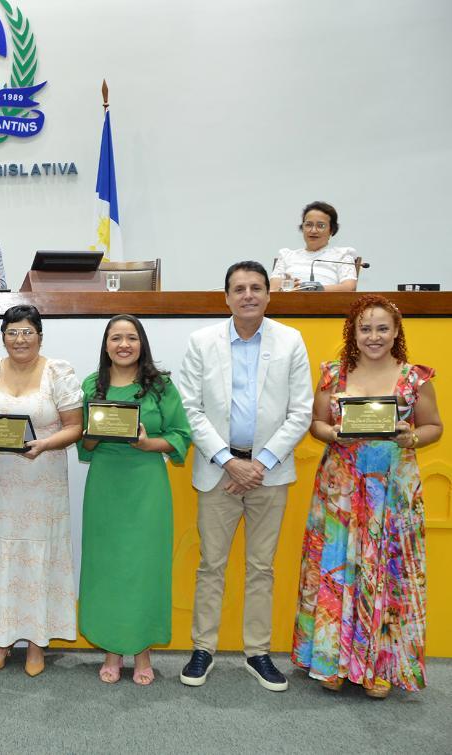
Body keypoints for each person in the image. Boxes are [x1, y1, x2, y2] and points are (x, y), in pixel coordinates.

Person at [292, 294, 443, 698]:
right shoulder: (332, 374)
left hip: (392, 489)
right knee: (337, 567)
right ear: (353, 332)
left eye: (382, 328)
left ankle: (379, 667)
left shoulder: (415, 379)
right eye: (365, 328)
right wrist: (334, 434)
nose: (374, 336)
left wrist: (409, 436)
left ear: (396, 332)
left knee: (385, 571)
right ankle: (332, 662)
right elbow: (317, 425)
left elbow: (434, 427)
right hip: (341, 487)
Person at [177, 261, 313, 691]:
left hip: (269, 474)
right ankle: (204, 649)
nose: (248, 295)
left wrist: (262, 462)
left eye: (257, 287)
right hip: (218, 471)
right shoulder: (202, 342)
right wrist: (227, 459)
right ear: (227, 296)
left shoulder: (291, 341)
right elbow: (190, 408)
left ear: (269, 294)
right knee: (211, 565)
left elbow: (301, 411)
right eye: (240, 288)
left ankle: (258, 652)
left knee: (261, 567)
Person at [0, 305, 82, 677]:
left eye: (28, 332)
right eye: (12, 332)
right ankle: (1, 640)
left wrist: (44, 445)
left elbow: (75, 426)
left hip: (42, 482)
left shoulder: (57, 371)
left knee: (39, 560)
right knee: (1, 557)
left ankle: (36, 644)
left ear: (40, 336)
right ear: (2, 336)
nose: (20, 339)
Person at [78, 315, 191, 686]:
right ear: (105, 344)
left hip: (147, 484)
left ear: (141, 343)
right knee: (107, 568)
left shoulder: (161, 386)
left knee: (144, 568)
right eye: (116, 338)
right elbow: (85, 445)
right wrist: (92, 434)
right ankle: (112, 650)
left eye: (131, 337)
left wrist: (146, 443)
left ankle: (143, 651)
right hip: (106, 485)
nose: (123, 344)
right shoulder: (92, 384)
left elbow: (179, 436)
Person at [270, 201, 358, 292]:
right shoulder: (286, 256)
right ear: (302, 228)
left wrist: (312, 289)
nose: (313, 230)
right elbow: (272, 290)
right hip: (288, 304)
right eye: (308, 225)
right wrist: (285, 288)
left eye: (321, 226)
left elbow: (349, 288)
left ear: (331, 230)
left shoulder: (342, 255)